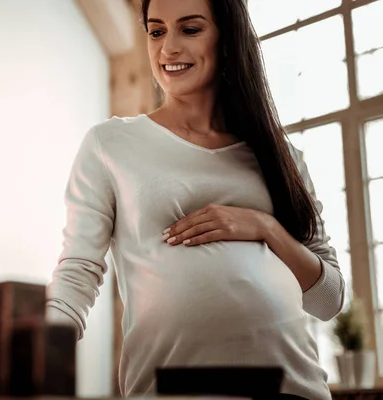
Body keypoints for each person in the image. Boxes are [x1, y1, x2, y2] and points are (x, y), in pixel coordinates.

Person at [46, 0, 345, 399]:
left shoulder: (283, 159)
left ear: (227, 39)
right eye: (156, 31)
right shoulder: (110, 145)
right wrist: (34, 349)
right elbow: (78, 273)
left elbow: (329, 299)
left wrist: (265, 227)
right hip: (174, 390)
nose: (167, 47)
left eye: (189, 29)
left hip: (294, 388)